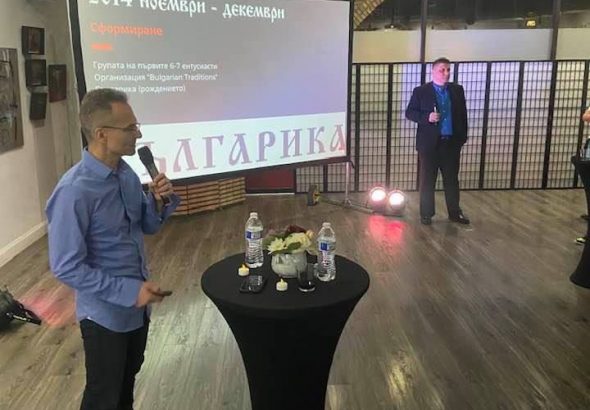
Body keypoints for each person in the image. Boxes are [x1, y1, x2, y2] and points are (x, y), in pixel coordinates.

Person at [46, 88, 180, 410]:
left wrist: (158, 202)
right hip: (105, 316)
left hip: (137, 309)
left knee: (125, 386)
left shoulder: (126, 175)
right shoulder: (73, 191)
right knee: (103, 397)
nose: (138, 134)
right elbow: (66, 266)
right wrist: (129, 291)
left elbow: (146, 226)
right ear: (101, 134)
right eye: (130, 128)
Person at [405, 57, 470, 225]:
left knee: (452, 180)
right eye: (442, 70)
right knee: (427, 180)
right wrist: (427, 117)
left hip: (451, 143)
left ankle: (454, 213)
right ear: (433, 71)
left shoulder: (457, 90)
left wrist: (462, 138)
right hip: (429, 145)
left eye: (448, 70)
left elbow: (463, 115)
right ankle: (426, 214)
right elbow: (410, 112)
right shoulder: (421, 91)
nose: (446, 73)